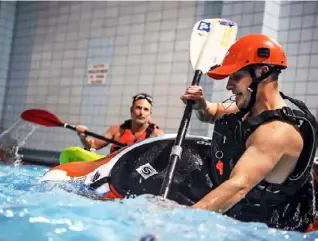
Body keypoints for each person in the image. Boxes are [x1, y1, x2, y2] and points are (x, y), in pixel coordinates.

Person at [181, 33, 317, 232]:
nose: (228, 85)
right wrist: (200, 104)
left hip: (268, 228)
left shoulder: (277, 131)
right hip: (243, 209)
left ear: (261, 72)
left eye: (236, 76)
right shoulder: (251, 110)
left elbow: (238, 187)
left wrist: (179, 220)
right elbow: (211, 113)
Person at [76, 92, 164, 154]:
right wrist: (83, 136)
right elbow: (93, 146)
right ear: (131, 110)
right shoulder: (116, 130)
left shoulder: (156, 135)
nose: (141, 113)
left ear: (150, 114)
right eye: (138, 108)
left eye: (146, 109)